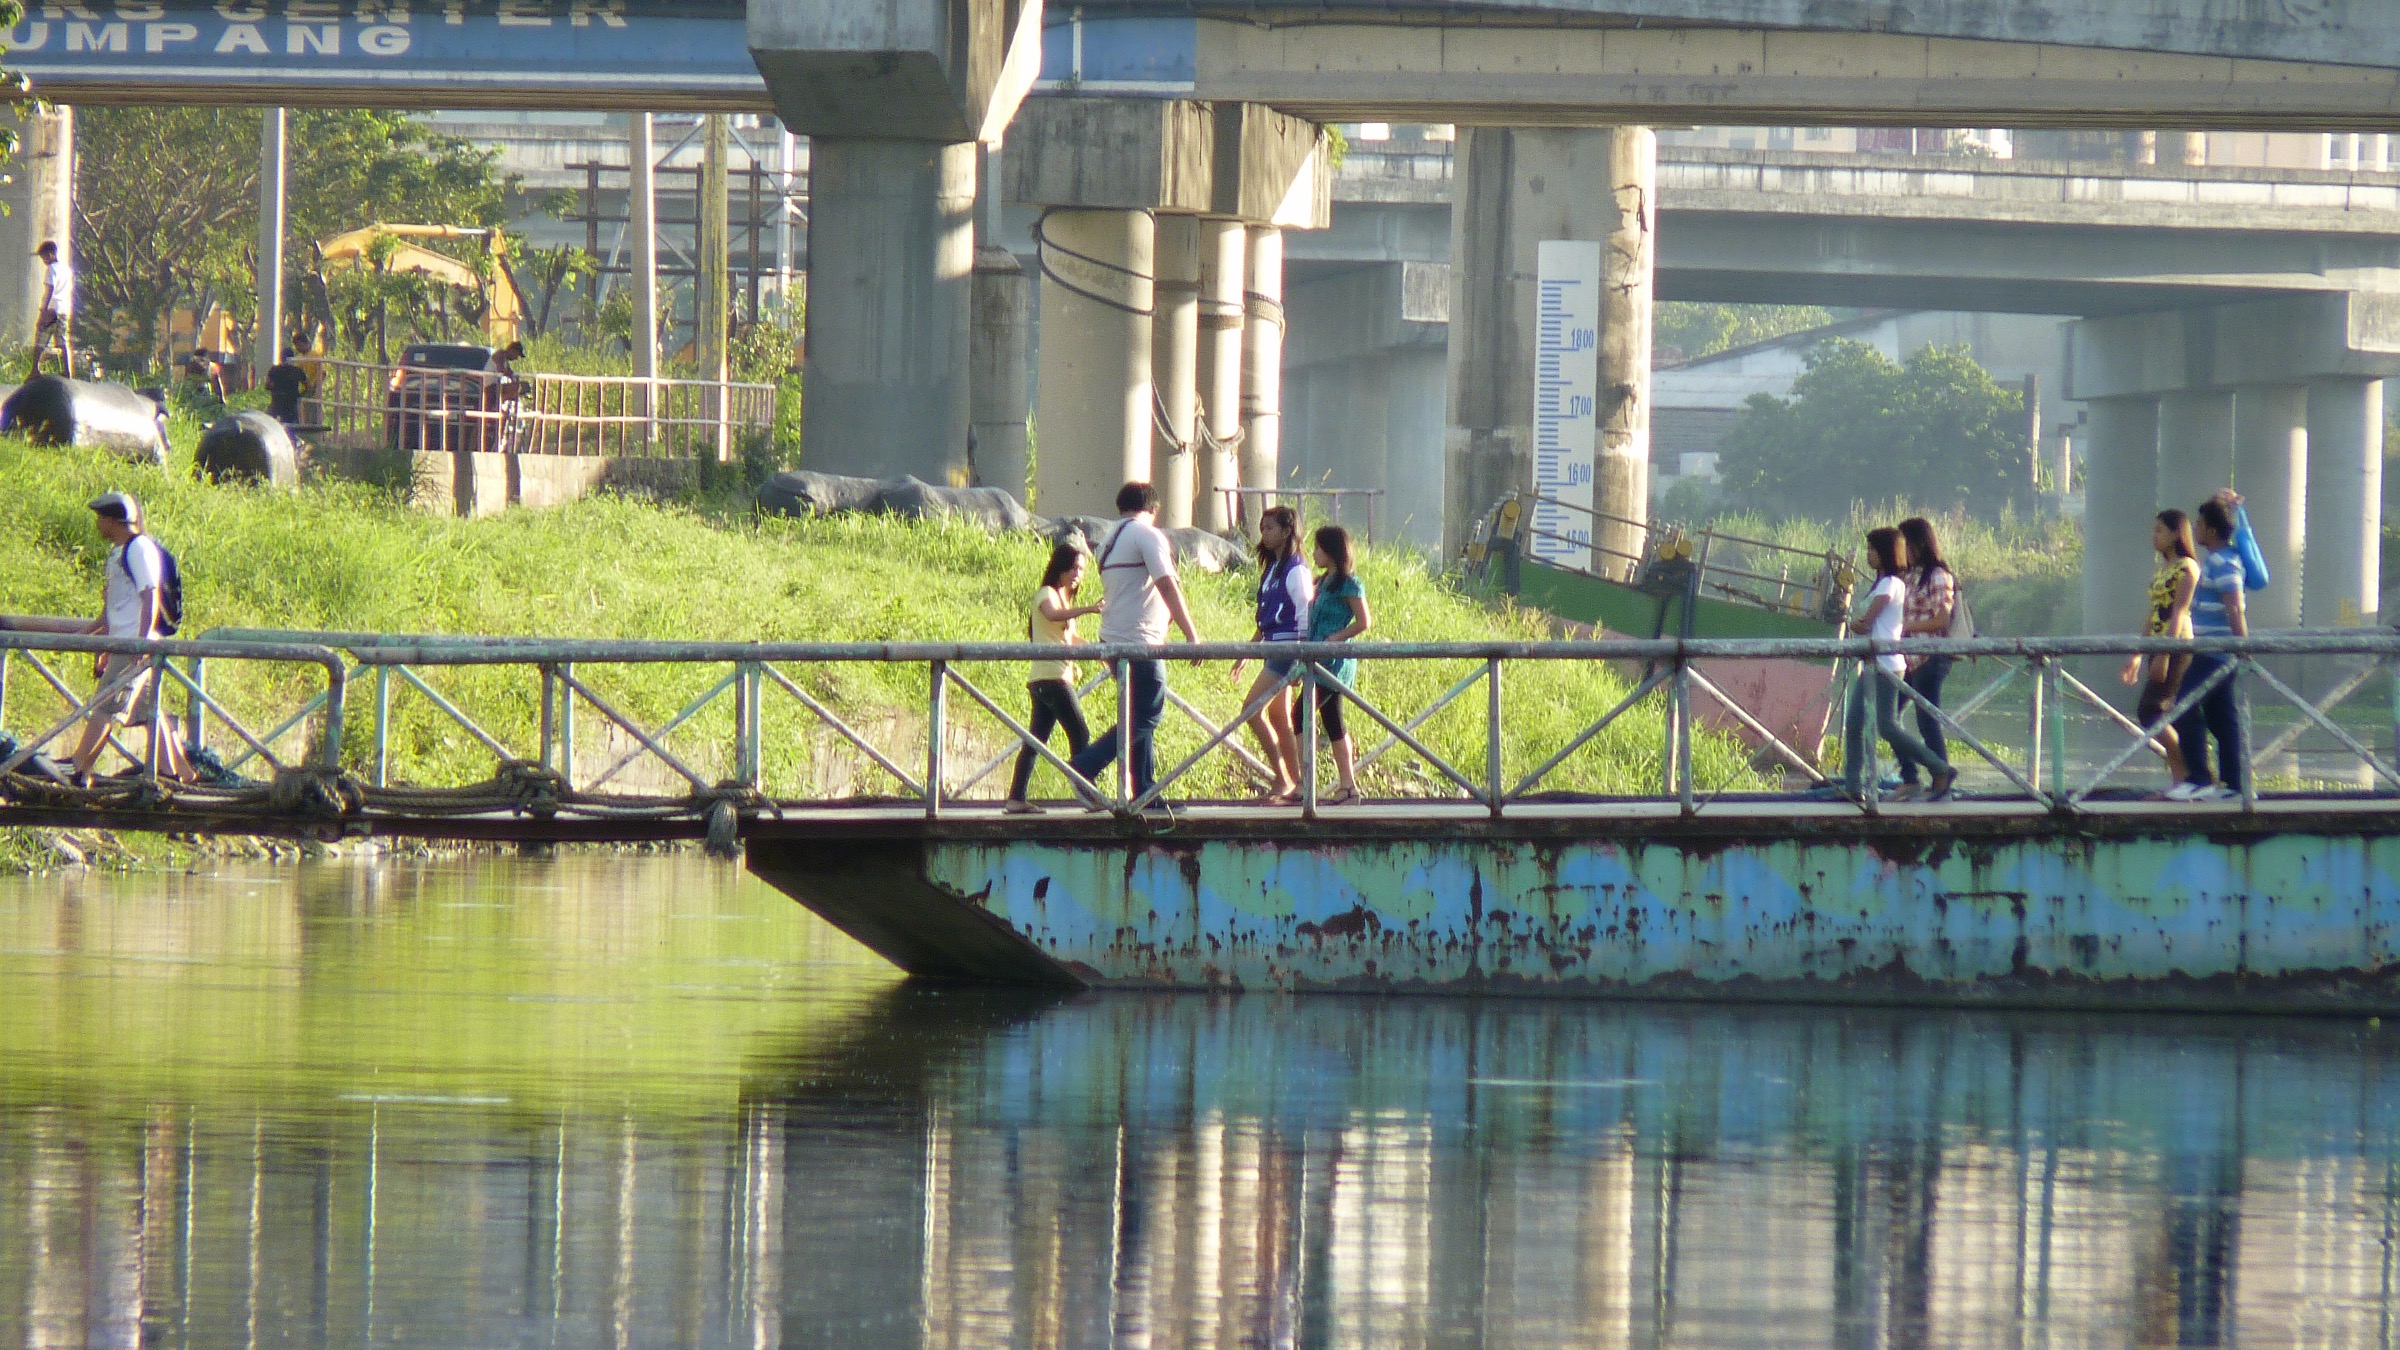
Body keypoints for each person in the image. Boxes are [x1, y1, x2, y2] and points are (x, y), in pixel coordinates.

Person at [1067, 483, 1202, 803]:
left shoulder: (1109, 540)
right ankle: (1084, 766)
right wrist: (1192, 634)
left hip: (1113, 640)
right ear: (1153, 509)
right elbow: (1167, 584)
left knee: (1137, 714)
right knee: (1148, 715)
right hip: (1139, 641)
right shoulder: (1147, 535)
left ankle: (1144, 791)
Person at [69, 493, 190, 786]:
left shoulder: (138, 549)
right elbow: (112, 611)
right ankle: (175, 773)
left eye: (100, 519)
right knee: (149, 711)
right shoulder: (118, 553)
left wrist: (141, 641)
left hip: (133, 645)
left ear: (112, 521)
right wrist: (96, 643)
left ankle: (78, 769)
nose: (98, 524)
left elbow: (151, 596)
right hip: (121, 644)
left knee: (107, 708)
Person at [1841, 526, 1955, 802]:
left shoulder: (1891, 584)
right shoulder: (1883, 583)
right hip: (1874, 663)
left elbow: (1867, 621)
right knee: (1854, 723)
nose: (1868, 555)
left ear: (1884, 554)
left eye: (1872, 550)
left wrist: (1854, 621)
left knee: (1889, 725)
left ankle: (1939, 768)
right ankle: (1853, 785)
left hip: (1888, 664)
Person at [1004, 542, 1102, 813]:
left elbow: (1070, 638)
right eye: (1072, 567)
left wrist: (1100, 653)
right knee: (1080, 732)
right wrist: (1088, 609)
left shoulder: (1064, 600)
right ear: (1059, 568)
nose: (1077, 574)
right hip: (1051, 678)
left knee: (1036, 740)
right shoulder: (1047, 594)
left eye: (1081, 569)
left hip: (1050, 678)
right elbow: (1051, 614)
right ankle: (1088, 793)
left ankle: (1016, 798)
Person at [1229, 506, 1312, 802]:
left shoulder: (1296, 569)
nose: (1264, 534)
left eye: (1270, 529)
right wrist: (1248, 653)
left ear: (1287, 531)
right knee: (1278, 715)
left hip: (1287, 649)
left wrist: (1303, 658)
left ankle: (1282, 778)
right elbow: (1265, 618)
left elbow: (1304, 614)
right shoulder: (1272, 569)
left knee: (1250, 709)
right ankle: (1296, 783)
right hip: (1272, 645)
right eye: (1262, 528)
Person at [2170, 499, 2249, 801]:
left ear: (2213, 530)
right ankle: (2233, 785)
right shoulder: (2219, 559)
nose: (2196, 529)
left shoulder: (2223, 563)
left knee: (2184, 704)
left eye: (2200, 524)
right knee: (2221, 718)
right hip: (2213, 652)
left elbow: (2235, 608)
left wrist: (2242, 647)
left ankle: (2200, 778)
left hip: (2216, 653)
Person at [2120, 509, 2201, 790]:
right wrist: (2138, 655)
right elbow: (2154, 613)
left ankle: (2188, 776)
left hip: (2176, 645)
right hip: (2157, 643)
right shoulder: (2164, 569)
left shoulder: (2187, 568)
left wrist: (2164, 655)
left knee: (2152, 711)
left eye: (2159, 531)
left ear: (2176, 534)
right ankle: (2182, 779)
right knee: (2157, 713)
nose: (2153, 536)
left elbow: (2177, 613)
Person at [1303, 524, 1373, 805]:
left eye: (1319, 548)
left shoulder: (1349, 583)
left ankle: (1321, 785)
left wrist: (1336, 637)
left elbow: (1364, 622)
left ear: (1332, 551)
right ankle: (1346, 786)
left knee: (1307, 715)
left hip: (1334, 662)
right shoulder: (1320, 583)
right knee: (1329, 720)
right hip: (1314, 657)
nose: (1315, 553)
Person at [1894, 516, 1958, 798]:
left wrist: (1905, 628)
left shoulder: (1938, 576)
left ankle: (1940, 775)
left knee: (1926, 719)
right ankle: (1913, 775)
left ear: (1917, 544)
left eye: (1904, 544)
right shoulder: (1908, 575)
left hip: (1930, 657)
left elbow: (1942, 620)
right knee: (1888, 717)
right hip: (1907, 658)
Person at [31, 241, 72, 378]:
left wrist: (43, 311)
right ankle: (67, 370)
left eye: (44, 257)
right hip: (64, 309)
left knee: (40, 338)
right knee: (62, 341)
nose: (43, 260)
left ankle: (34, 370)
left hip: (52, 309)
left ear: (51, 254)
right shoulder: (66, 270)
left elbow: (50, 290)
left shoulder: (51, 269)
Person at [264, 347, 311, 424]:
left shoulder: (274, 369)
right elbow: (307, 385)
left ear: (281, 357)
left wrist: (274, 389)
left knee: (268, 423)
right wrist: (301, 394)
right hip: (291, 402)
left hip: (277, 400)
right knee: (291, 426)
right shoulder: (297, 370)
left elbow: (267, 385)